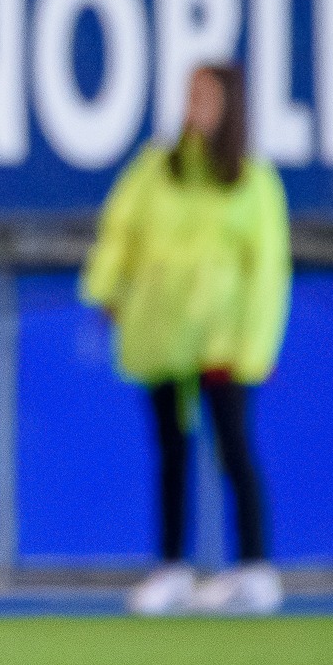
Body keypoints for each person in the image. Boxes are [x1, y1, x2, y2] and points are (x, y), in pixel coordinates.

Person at [81, 63, 291, 617]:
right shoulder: (157, 169)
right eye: (190, 95)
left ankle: (254, 567)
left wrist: (256, 345)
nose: (195, 107)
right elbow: (120, 230)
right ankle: (173, 568)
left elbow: (268, 269)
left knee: (233, 445)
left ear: (231, 108)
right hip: (164, 333)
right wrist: (107, 291)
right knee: (171, 450)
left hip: (222, 339)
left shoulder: (251, 180)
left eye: (207, 97)